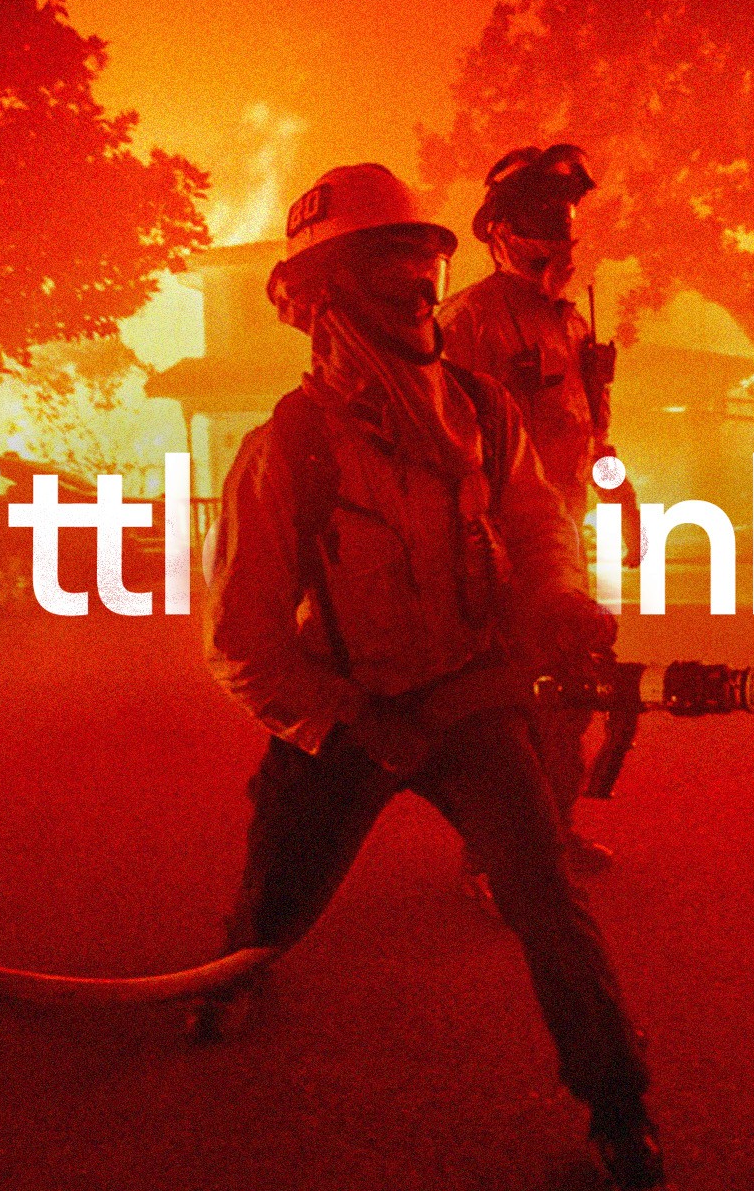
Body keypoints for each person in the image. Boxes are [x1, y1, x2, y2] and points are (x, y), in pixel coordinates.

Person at [197, 163, 666, 1188]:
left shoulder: (481, 411)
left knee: (546, 898)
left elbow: (538, 525)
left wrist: (553, 602)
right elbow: (241, 641)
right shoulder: (285, 450)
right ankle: (235, 970)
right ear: (323, 296)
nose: (418, 288)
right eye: (390, 267)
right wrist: (351, 722)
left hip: (466, 699)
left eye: (426, 263)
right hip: (345, 714)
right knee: (277, 900)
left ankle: (618, 1104)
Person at [437, 144, 628, 882]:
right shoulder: (466, 322)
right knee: (507, 709)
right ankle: (493, 860)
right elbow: (444, 444)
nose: (561, 238)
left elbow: (592, 434)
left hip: (565, 543)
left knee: (570, 695)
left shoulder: (570, 325)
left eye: (567, 220)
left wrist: (619, 492)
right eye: (543, 221)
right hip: (500, 547)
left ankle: (553, 834)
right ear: (499, 232)